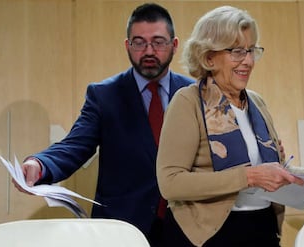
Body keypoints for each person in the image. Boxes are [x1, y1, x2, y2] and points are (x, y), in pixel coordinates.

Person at [156, 6, 304, 247]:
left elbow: (274, 171)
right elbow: (171, 182)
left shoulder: (256, 102)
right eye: (237, 51)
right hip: (208, 236)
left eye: (251, 51)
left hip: (262, 228)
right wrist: (248, 177)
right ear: (208, 57)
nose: (248, 61)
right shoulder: (188, 101)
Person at [14, 3, 194, 246]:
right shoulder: (104, 95)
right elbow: (74, 146)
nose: (149, 50)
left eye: (158, 42)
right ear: (127, 45)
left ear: (174, 45)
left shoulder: (195, 94)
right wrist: (39, 163)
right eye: (139, 42)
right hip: (121, 228)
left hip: (186, 227)